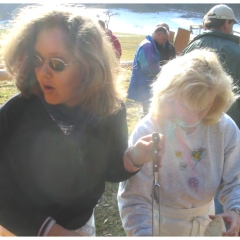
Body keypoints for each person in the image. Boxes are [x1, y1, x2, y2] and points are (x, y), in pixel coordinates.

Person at [0, 5, 160, 236]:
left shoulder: (110, 110)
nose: (43, 71)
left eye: (57, 63)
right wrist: (51, 231)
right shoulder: (16, 112)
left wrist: (135, 157)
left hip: (82, 226)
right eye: (37, 58)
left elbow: (109, 169)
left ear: (88, 66)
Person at [118, 49, 240, 236]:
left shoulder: (224, 127)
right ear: (169, 94)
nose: (193, 117)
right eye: (185, 105)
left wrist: (236, 209)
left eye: (203, 108)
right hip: (158, 226)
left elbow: (235, 180)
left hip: (207, 223)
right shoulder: (149, 130)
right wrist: (143, 234)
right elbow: (135, 199)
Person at [181, 4, 240, 216]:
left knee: (195, 167)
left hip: (190, 124)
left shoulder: (190, 49)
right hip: (230, 126)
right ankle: (223, 221)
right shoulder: (238, 50)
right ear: (226, 23)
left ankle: (195, 215)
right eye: (232, 23)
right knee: (229, 174)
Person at [127, 25, 169, 117]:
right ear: (159, 34)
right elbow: (147, 67)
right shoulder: (148, 46)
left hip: (145, 81)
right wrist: (163, 69)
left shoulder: (150, 44)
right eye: (164, 39)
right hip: (143, 82)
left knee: (147, 108)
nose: (164, 42)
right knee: (147, 110)